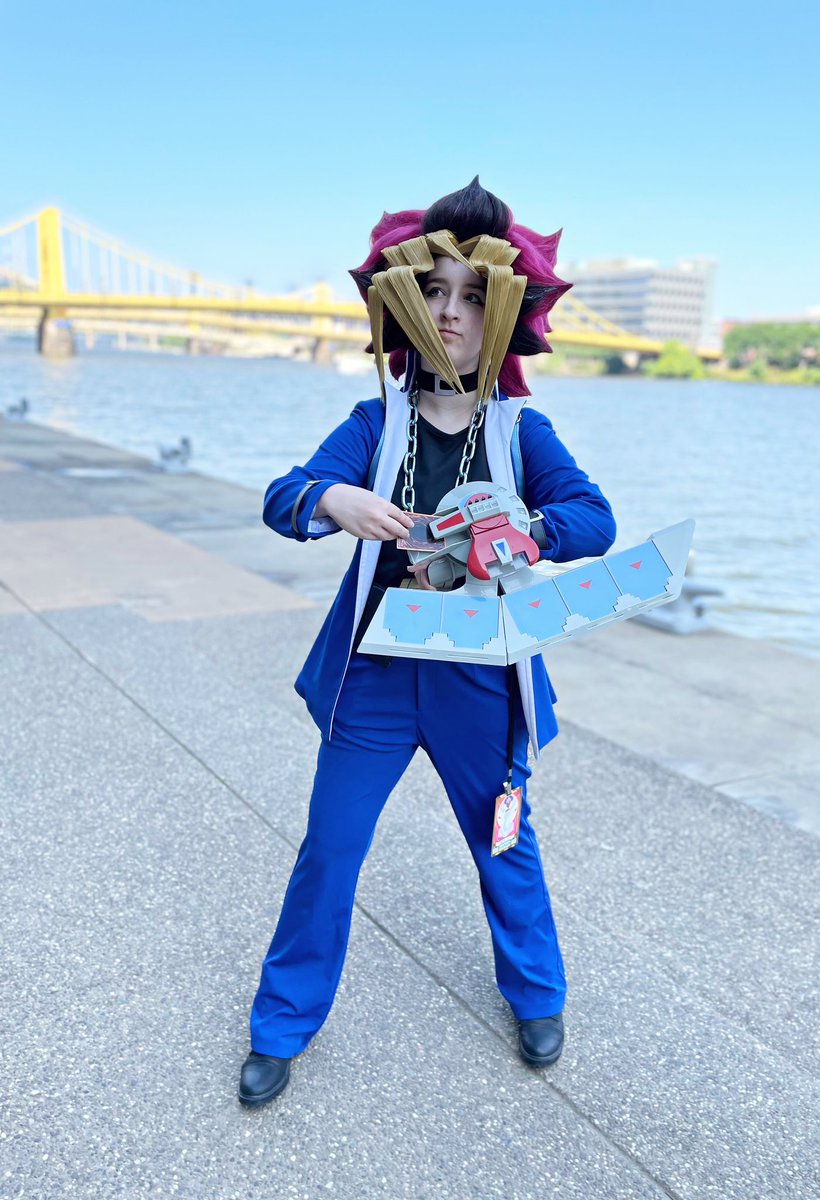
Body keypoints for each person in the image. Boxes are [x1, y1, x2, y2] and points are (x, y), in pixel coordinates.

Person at [239, 178, 616, 1108]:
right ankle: (281, 1024)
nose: (450, 312)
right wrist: (334, 499)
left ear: (504, 317)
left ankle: (538, 995)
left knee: (504, 841)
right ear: (405, 304)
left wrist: (528, 528)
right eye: (433, 292)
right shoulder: (375, 422)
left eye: (473, 297)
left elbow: (593, 516)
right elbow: (284, 496)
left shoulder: (521, 429)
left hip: (479, 677)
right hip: (373, 676)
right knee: (330, 848)